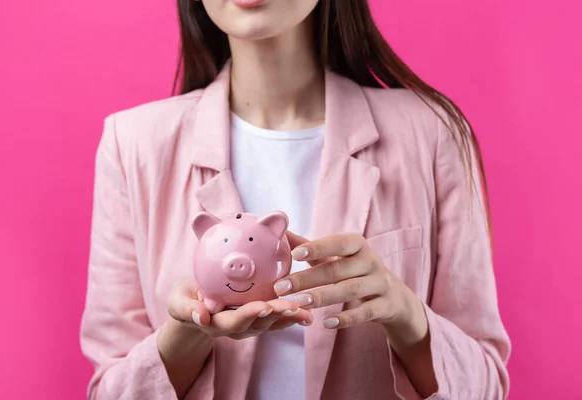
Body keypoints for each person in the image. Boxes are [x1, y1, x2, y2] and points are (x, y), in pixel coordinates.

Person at [80, 0, 511, 399]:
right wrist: (189, 331)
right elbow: (110, 391)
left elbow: (487, 385)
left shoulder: (433, 134)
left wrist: (406, 316)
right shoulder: (133, 145)